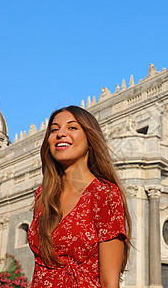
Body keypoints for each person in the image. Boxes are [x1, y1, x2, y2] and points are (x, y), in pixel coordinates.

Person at [28, 106, 132, 287]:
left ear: (90, 139)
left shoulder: (104, 194)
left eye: (72, 127)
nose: (60, 133)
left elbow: (109, 282)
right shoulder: (43, 196)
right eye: (54, 129)